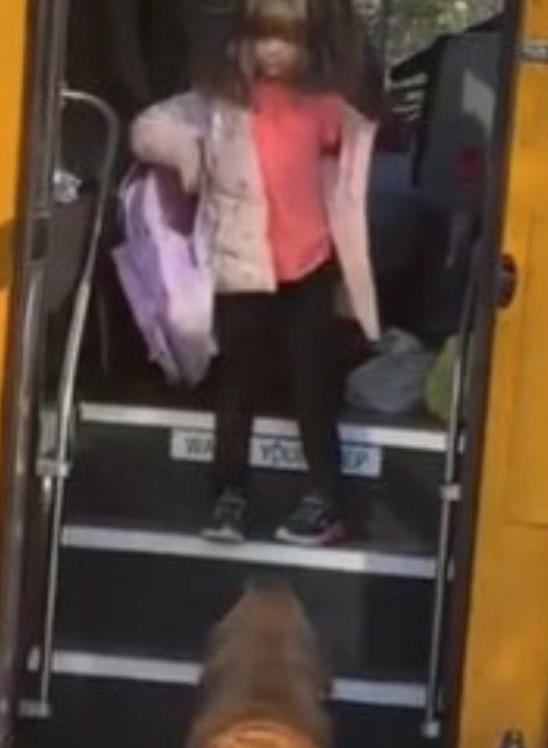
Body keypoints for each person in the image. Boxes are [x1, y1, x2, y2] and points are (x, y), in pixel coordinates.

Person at [131, 0, 381, 546]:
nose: (271, 50)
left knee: (311, 387)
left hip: (309, 267)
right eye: (259, 37)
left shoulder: (326, 107)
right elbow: (147, 129)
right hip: (243, 268)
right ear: (237, 42)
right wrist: (191, 156)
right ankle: (230, 495)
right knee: (236, 387)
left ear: (311, 46)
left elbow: (356, 160)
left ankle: (326, 499)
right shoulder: (219, 105)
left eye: (285, 38)